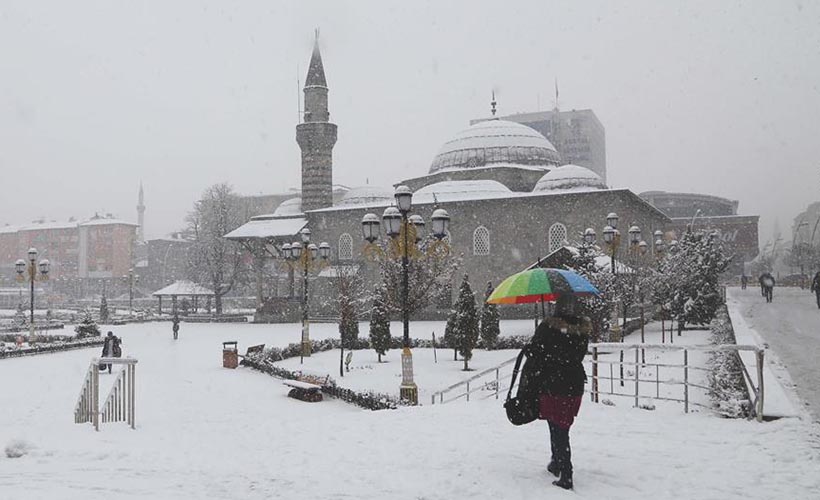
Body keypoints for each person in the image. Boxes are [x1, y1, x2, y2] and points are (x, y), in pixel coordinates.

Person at [520, 294, 590, 490]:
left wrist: (538, 341)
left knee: (558, 427)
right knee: (561, 424)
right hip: (574, 385)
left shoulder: (548, 328)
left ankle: (566, 472)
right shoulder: (582, 330)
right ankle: (556, 461)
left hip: (553, 384)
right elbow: (576, 355)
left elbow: (536, 353)